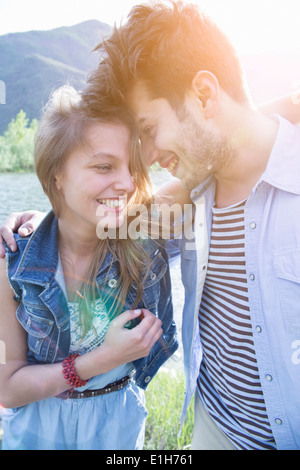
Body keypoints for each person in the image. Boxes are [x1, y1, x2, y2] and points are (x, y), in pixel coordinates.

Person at [2, 1, 300, 451]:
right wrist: (30, 228)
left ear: (203, 94)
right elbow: (86, 219)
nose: (147, 163)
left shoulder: (167, 216)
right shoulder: (185, 200)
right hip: (210, 433)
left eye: (148, 130)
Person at [0, 84, 178, 450]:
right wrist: (102, 359)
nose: (127, 184)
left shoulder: (145, 239)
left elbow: (230, 148)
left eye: (132, 168)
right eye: (103, 166)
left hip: (117, 431)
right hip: (37, 431)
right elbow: (9, 387)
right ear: (56, 176)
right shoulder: (14, 263)